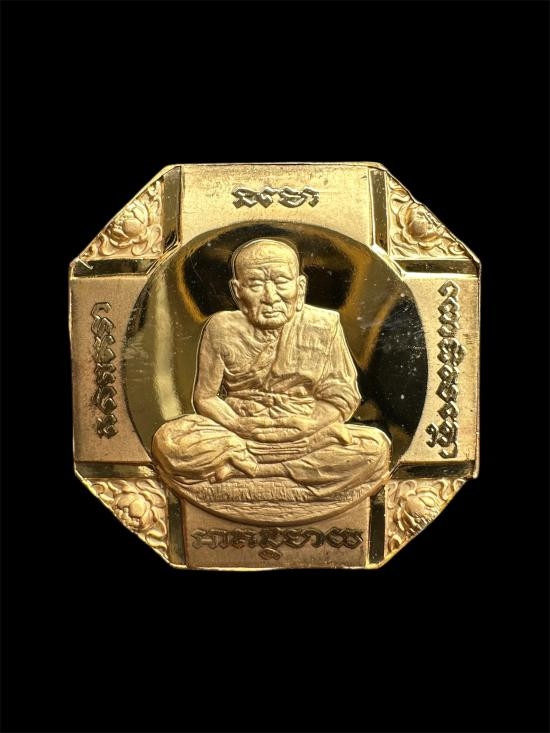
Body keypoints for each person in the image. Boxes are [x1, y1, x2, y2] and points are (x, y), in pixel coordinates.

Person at [152, 238, 390, 498]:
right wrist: (238, 424)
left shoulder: (324, 325)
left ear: (300, 287)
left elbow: (341, 395)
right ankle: (277, 466)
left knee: (375, 448)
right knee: (169, 442)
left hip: (306, 434)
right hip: (240, 433)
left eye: (281, 281)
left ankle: (260, 469)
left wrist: (310, 424)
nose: (270, 297)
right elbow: (206, 397)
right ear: (237, 291)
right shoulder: (221, 328)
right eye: (255, 284)